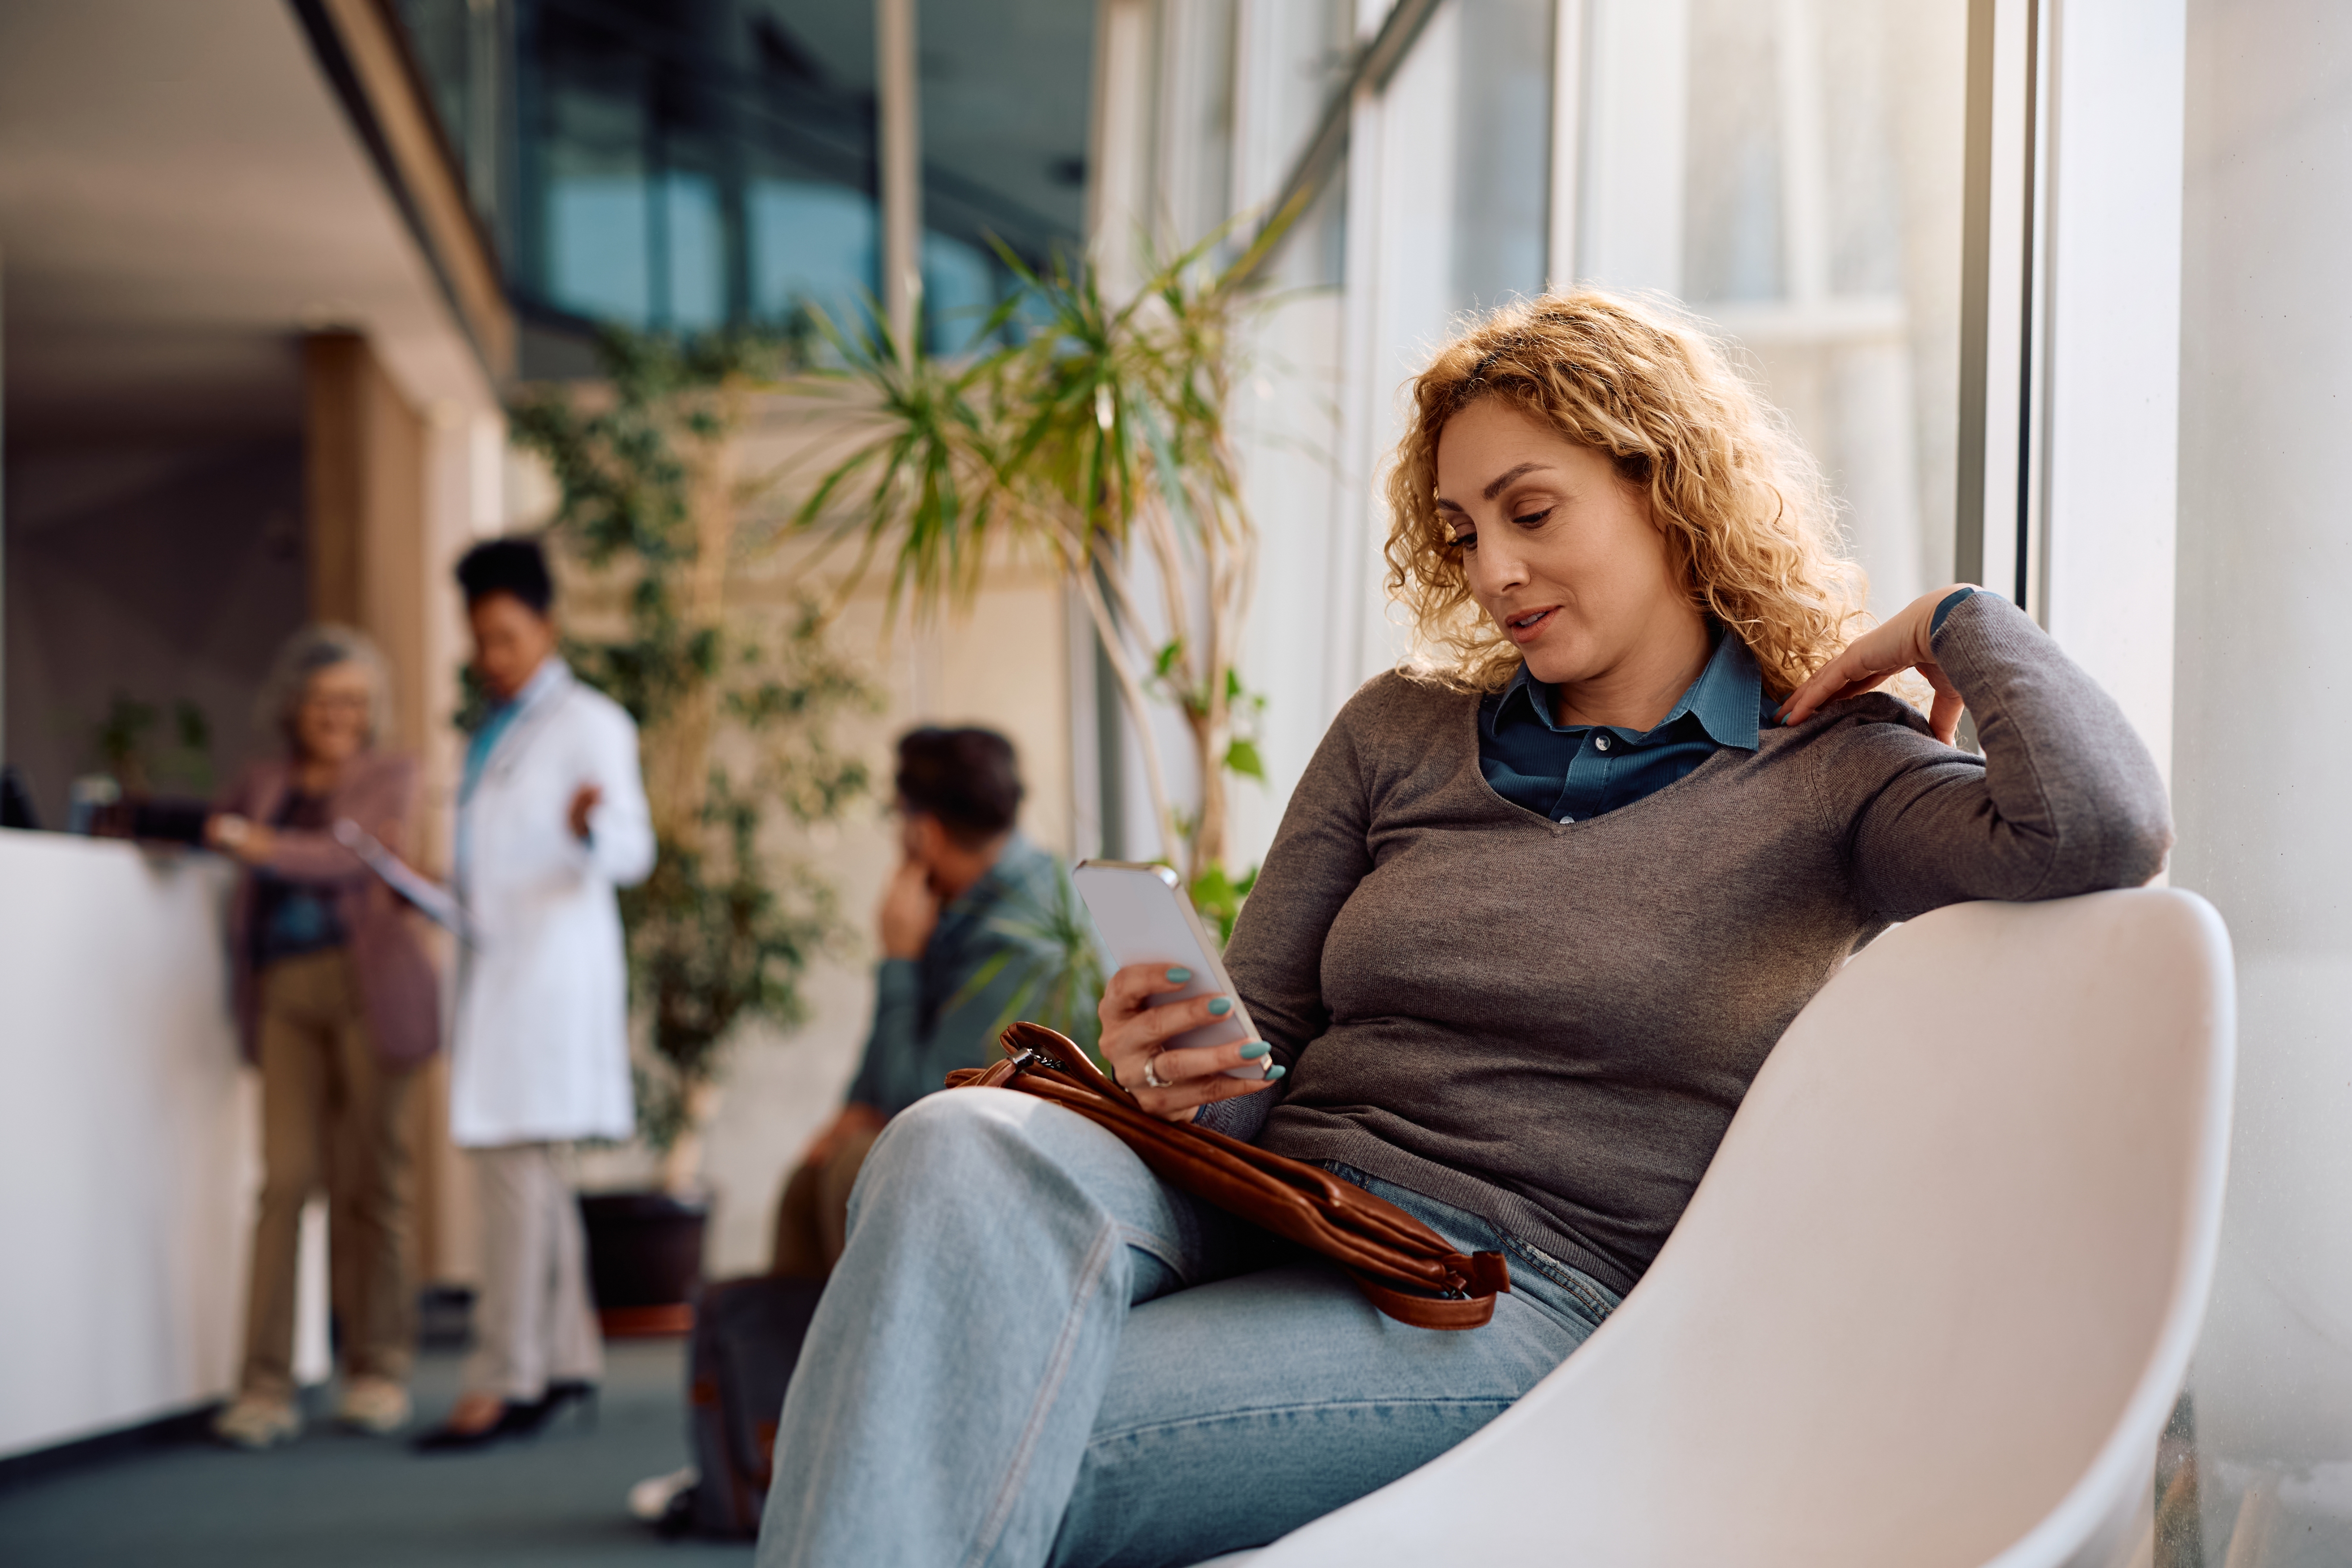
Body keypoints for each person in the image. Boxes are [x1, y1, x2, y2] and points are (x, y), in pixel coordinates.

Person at [750, 290, 2175, 1567]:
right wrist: (1179, 1071)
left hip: (1502, 1295)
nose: (1492, 568)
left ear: (1661, 485)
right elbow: (1258, 1066)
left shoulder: (1828, 770)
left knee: (937, 1427)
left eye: (1530, 510)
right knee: (951, 1141)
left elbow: (2100, 830)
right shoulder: (1398, 734)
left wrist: (1956, 620)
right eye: (1461, 529)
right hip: (1265, 1206)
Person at [415, 536, 655, 1450]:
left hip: (549, 977)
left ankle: (503, 1379)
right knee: (534, 1181)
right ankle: (567, 1362)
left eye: (508, 636)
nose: (493, 657)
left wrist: (594, 827)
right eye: (481, 639)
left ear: (549, 626)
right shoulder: (494, 731)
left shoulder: (591, 723)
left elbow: (633, 852)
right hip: (499, 962)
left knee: (515, 1178)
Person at [205, 626, 439, 1449]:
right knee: (284, 1182)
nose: (341, 716)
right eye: (325, 701)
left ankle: (378, 1369)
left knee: (373, 1180)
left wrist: (258, 845)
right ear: (293, 707)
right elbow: (217, 847)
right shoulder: (260, 781)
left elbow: (350, 860)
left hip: (370, 988)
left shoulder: (391, 774)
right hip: (284, 991)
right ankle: (263, 1386)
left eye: (356, 702)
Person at [773, 725, 1091, 1276]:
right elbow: (882, 1088)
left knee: (855, 1166)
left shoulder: (1023, 933)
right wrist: (852, 1106)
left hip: (1035, 1155)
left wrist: (898, 959)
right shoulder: (976, 900)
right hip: (984, 1134)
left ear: (924, 833)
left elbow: (922, 1100)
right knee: (814, 1174)